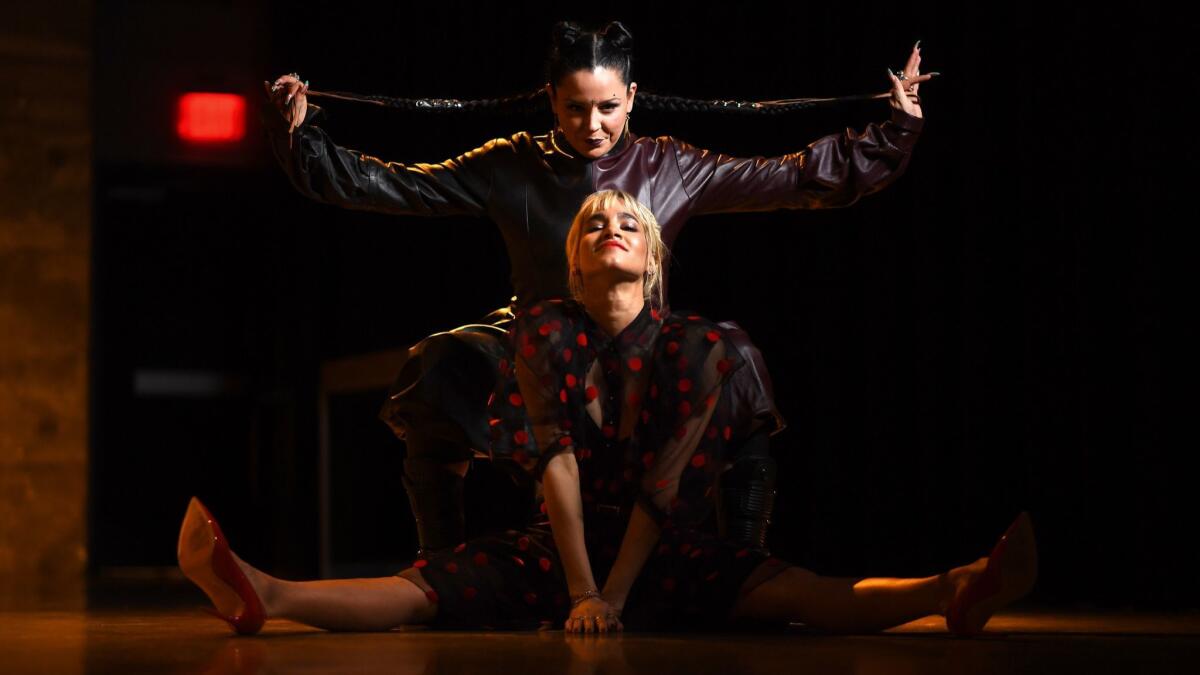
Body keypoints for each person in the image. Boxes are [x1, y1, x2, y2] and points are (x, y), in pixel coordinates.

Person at [177, 190, 1038, 636]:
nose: (610, 227)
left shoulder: (703, 345)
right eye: (593, 225)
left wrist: (615, 599)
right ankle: (266, 591)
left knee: (799, 595)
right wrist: (583, 588)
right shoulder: (545, 330)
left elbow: (667, 487)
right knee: (421, 593)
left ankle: (950, 589)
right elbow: (552, 459)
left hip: (667, 546)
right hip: (567, 547)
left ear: (654, 261)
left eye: (628, 221)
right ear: (575, 266)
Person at [261, 20, 934, 558]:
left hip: (643, 352)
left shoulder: (672, 164)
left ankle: (743, 564)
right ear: (551, 97)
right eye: (576, 108)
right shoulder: (512, 163)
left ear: (632, 98)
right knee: (437, 366)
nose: (592, 125)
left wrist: (895, 127)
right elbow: (395, 185)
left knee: (738, 369)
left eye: (608, 108)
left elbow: (792, 176)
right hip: (536, 348)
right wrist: (302, 136)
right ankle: (441, 561)